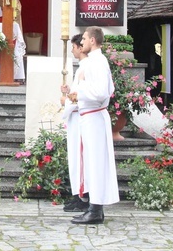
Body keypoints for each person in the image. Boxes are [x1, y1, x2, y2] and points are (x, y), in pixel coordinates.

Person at [67, 26, 119, 224]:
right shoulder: (94, 61)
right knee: (91, 161)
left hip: (94, 116)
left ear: (93, 41)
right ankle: (94, 207)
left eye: (85, 38)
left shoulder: (98, 62)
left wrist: (79, 92)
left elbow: (102, 92)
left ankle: (95, 210)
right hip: (90, 115)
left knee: (95, 162)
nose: (82, 42)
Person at [62, 34, 89, 213]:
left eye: (74, 47)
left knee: (80, 159)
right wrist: (68, 92)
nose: (72, 50)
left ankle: (83, 197)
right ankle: (77, 194)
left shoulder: (87, 67)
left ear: (81, 47)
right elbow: (76, 93)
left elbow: (82, 97)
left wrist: (66, 100)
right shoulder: (81, 67)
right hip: (75, 118)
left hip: (81, 118)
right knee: (74, 158)